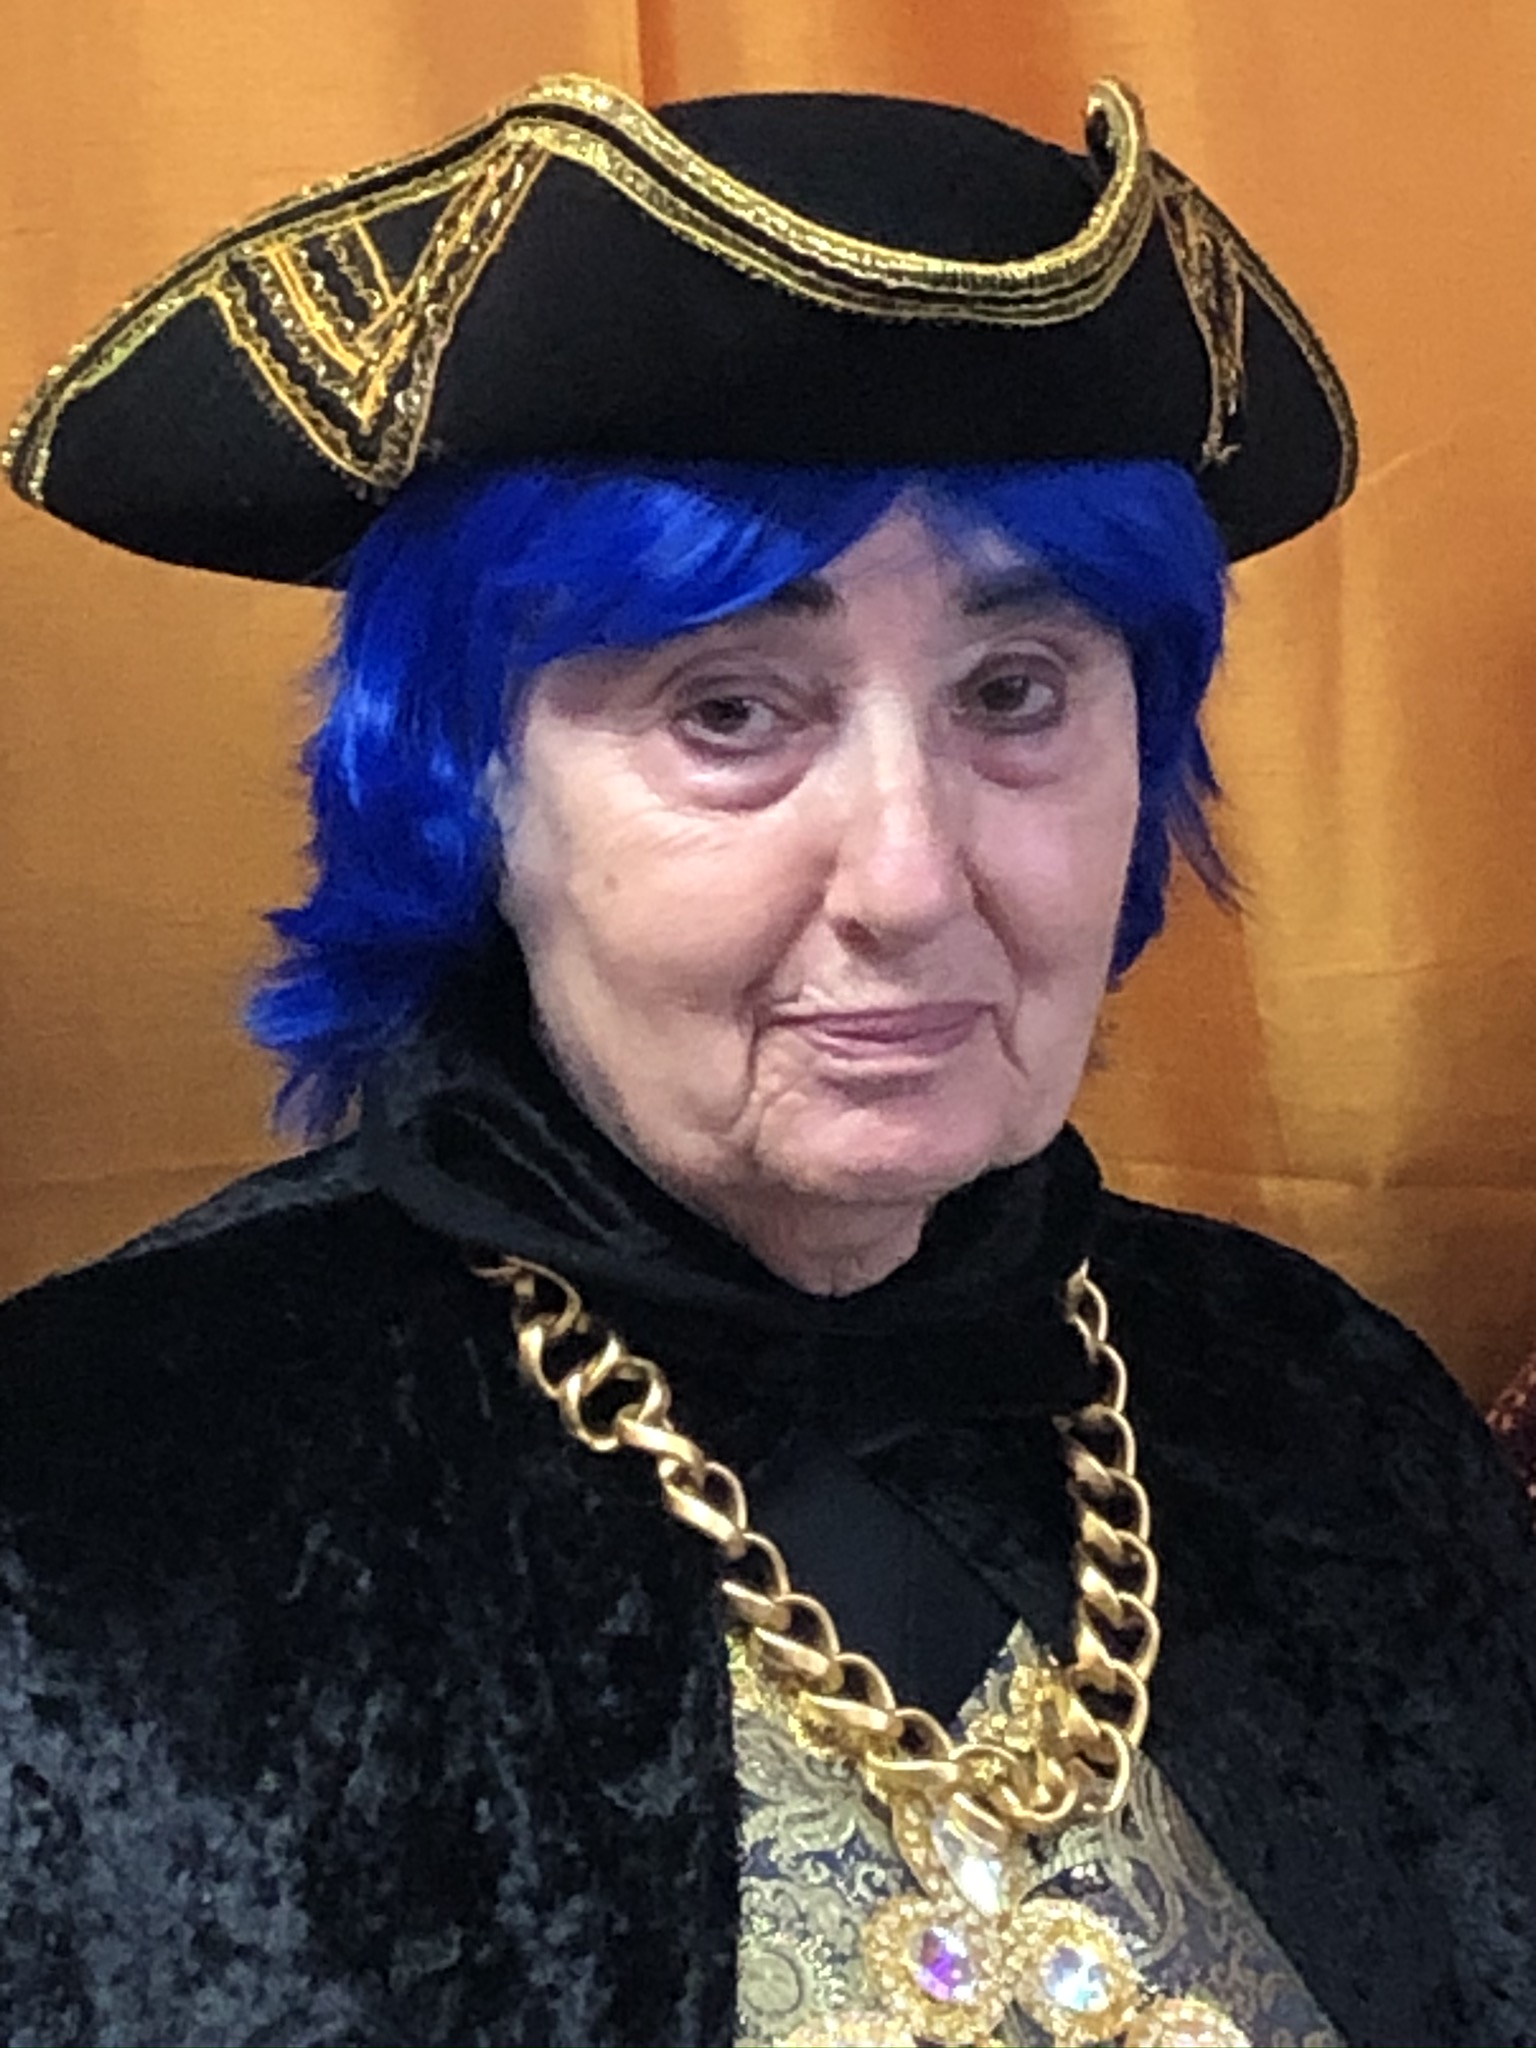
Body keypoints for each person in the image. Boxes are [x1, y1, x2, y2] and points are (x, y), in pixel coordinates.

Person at [2, 70, 1535, 2048]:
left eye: (1015, 691)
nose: (910, 879)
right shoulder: (97, 1509)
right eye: (731, 707)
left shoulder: (1324, 1413)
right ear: (467, 787)